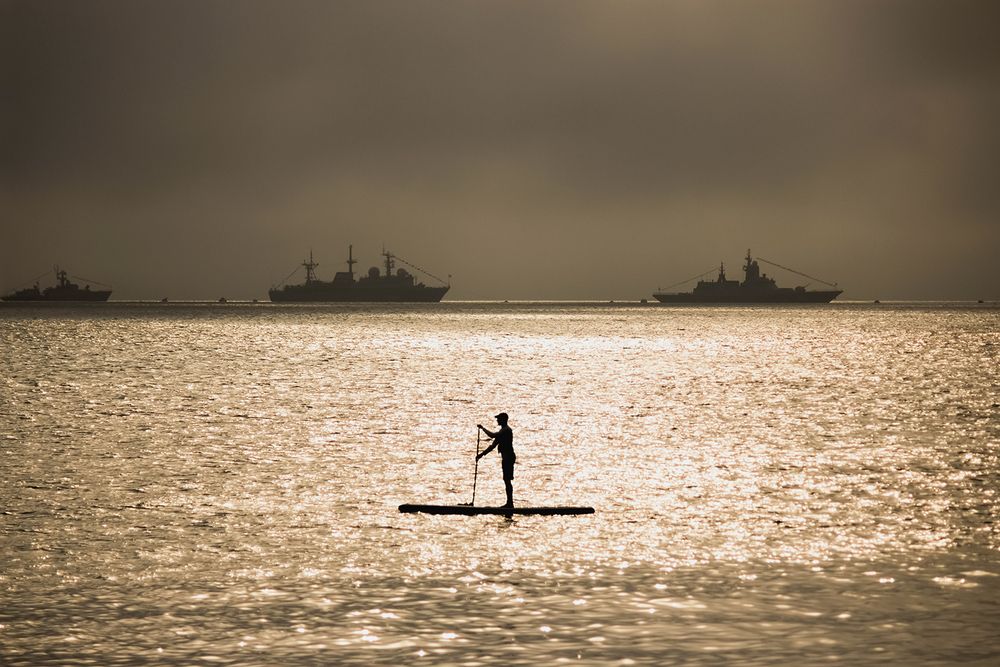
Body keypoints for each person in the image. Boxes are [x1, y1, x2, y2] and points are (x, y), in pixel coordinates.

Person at [477, 412, 515, 507]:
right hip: (505, 458)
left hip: (509, 458)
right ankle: (509, 503)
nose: (497, 420)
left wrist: (483, 429)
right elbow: (492, 446)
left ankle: (510, 503)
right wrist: (481, 455)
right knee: (506, 480)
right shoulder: (502, 432)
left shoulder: (506, 430)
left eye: (498, 419)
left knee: (507, 480)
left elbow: (492, 435)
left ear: (503, 420)